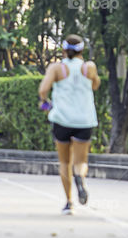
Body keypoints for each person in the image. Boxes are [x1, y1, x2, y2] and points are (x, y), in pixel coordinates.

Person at [38, 34, 100, 215]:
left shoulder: (57, 68)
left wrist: (45, 102)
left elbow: (43, 89)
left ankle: (69, 202)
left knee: (65, 162)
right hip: (84, 120)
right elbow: (95, 85)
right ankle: (80, 177)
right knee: (81, 161)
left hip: (62, 119)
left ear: (64, 50)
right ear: (82, 50)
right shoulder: (89, 67)